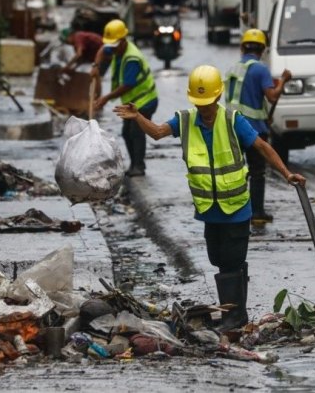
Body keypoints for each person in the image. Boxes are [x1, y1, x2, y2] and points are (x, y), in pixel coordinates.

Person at [113, 65, 305, 330]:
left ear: (217, 97)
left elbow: (262, 147)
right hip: (209, 208)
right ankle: (236, 313)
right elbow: (157, 133)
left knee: (231, 261)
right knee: (219, 260)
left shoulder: (232, 120)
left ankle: (234, 317)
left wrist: (287, 174)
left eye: (208, 102)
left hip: (236, 206)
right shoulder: (185, 120)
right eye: (199, 102)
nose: (204, 108)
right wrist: (137, 117)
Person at [225, 29, 292, 226]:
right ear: (262, 49)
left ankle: (236, 210)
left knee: (236, 172)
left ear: (242, 47)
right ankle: (257, 212)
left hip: (232, 127)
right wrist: (283, 81)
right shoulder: (260, 69)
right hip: (253, 130)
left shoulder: (233, 69)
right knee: (257, 171)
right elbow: (271, 96)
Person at [93, 20, 158, 177]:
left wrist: (106, 98)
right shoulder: (117, 49)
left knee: (136, 132)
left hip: (145, 100)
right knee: (126, 132)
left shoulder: (132, 58)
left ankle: (139, 166)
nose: (112, 48)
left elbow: (128, 84)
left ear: (123, 40)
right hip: (132, 102)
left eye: (114, 45)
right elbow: (103, 50)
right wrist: (96, 66)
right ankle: (134, 164)